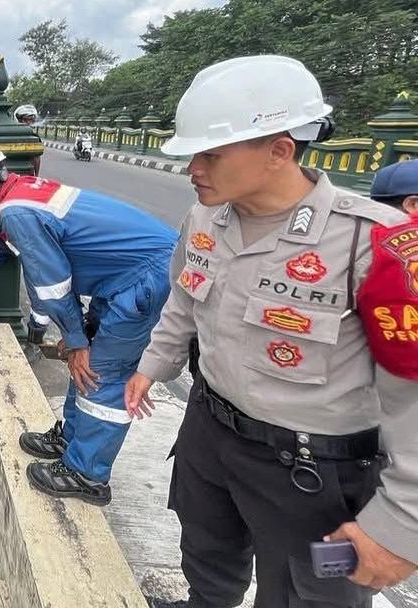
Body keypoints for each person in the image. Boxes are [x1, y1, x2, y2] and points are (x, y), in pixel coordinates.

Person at [123, 56, 417, 607]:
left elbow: (413, 396)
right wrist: (151, 365)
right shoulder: (205, 218)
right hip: (209, 430)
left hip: (310, 466)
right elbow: (184, 303)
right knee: (207, 560)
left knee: (302, 596)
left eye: (210, 154)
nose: (195, 169)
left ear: (279, 150)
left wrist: (400, 525)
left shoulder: (372, 244)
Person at [0, 136, 177, 506]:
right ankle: (70, 439)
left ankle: (88, 474)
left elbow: (51, 286)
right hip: (125, 277)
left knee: (101, 372)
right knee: (83, 360)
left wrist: (76, 338)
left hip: (144, 280)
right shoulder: (22, 193)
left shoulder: (17, 212)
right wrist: (76, 336)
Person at [13, 104, 43, 175]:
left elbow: (37, 157)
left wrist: (36, 175)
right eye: (25, 120)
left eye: (31, 120)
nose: (28, 123)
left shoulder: (35, 138)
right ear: (18, 119)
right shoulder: (12, 135)